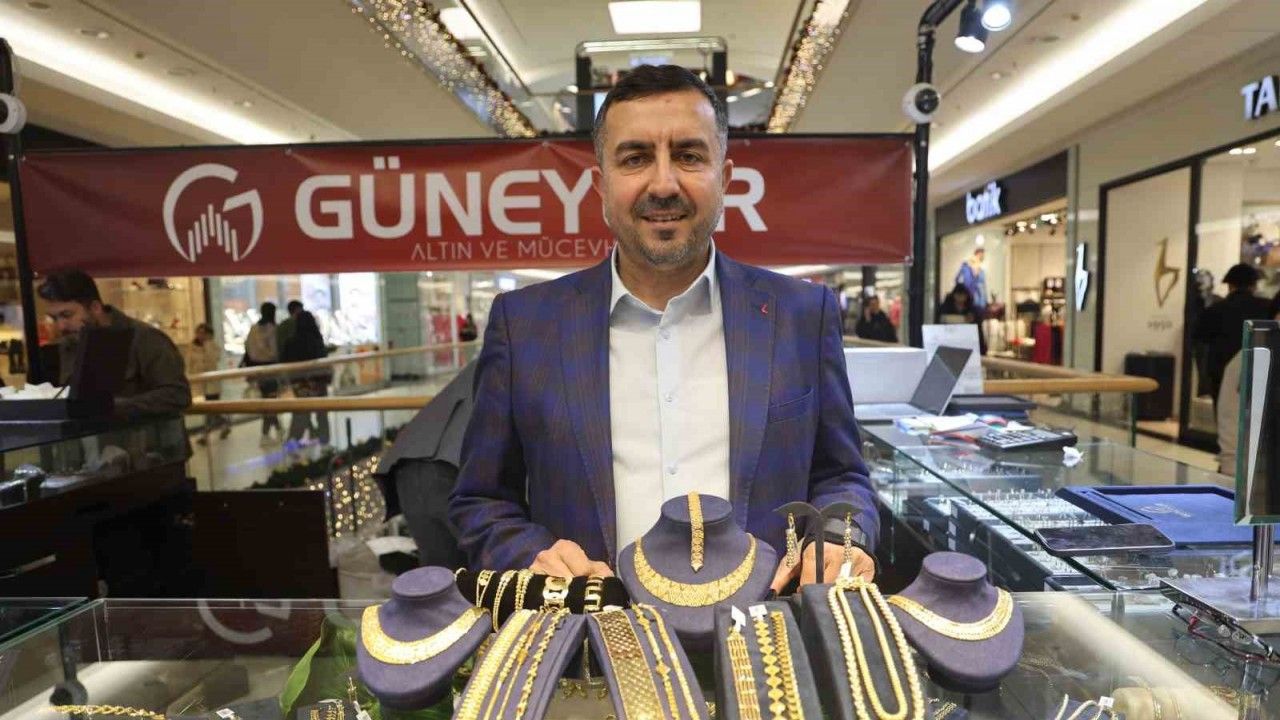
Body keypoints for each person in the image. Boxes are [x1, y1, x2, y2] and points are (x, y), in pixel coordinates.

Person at [450, 64, 877, 590]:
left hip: (765, 628)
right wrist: (532, 555)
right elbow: (482, 500)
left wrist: (838, 538)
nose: (664, 184)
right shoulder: (524, 326)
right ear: (601, 185)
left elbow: (842, 476)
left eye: (689, 156)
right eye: (635, 158)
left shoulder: (802, 315)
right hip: (591, 628)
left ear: (725, 179)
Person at [37, 269, 191, 418]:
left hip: (145, 435)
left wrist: (112, 407)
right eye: (54, 318)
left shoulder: (145, 338)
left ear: (95, 308)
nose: (61, 326)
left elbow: (178, 395)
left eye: (67, 315)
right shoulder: (71, 342)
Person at [1192, 263, 1273, 407]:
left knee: (1225, 415)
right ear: (1253, 285)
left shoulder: (1214, 310)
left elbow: (1200, 338)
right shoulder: (1267, 307)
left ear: (1230, 286)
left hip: (1221, 373)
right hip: (1258, 371)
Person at [282, 310, 332, 447]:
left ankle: (292, 441)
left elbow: (285, 362)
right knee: (322, 413)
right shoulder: (316, 340)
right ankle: (324, 441)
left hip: (299, 384)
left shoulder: (290, 342)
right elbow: (323, 361)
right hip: (318, 383)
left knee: (301, 413)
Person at [244, 301, 283, 446]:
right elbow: (275, 351)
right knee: (270, 402)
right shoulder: (272, 329)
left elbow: (248, 349)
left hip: (257, 369)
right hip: (270, 369)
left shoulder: (253, 329)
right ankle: (268, 433)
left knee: (268, 401)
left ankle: (276, 429)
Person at [186, 322, 230, 444]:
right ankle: (224, 423)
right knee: (212, 410)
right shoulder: (191, 347)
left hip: (212, 383)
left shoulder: (212, 346)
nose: (200, 335)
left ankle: (205, 434)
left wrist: (208, 346)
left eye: (203, 333)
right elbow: (189, 364)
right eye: (199, 332)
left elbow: (214, 360)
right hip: (200, 382)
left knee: (210, 409)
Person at [938, 282, 988, 355]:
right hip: (950, 341)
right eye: (958, 295)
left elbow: (978, 331)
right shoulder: (945, 308)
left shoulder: (972, 310)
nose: (961, 298)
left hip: (967, 342)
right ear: (954, 295)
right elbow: (940, 323)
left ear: (966, 296)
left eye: (963, 295)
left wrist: (982, 350)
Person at [956, 247, 988, 314]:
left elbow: (982, 288)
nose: (983, 257)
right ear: (978, 255)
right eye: (982, 255)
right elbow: (958, 279)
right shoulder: (966, 267)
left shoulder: (981, 271)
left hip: (979, 302)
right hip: (971, 300)